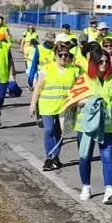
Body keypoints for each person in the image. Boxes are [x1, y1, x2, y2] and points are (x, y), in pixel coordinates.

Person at [67, 50, 112, 204]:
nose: (104, 64)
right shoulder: (84, 79)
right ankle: (86, 186)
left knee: (108, 156)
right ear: (94, 63)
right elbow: (72, 101)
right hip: (86, 126)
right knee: (85, 157)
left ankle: (109, 189)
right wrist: (88, 101)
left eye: (106, 61)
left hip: (107, 125)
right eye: (100, 62)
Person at [28, 38, 80, 171]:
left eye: (66, 55)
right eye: (60, 55)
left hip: (64, 107)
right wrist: (33, 104)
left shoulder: (73, 70)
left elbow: (79, 87)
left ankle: (55, 157)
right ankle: (49, 157)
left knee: (60, 132)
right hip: (47, 105)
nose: (63, 57)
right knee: (49, 130)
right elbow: (38, 87)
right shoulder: (47, 68)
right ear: (55, 55)